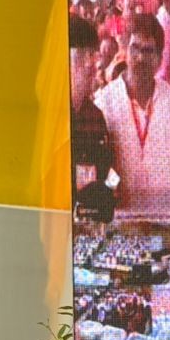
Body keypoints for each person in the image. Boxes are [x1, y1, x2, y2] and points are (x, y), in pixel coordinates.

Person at [93, 13, 170, 216]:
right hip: (122, 221)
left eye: (148, 51)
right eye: (135, 48)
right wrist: (113, 186)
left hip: (165, 220)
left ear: (160, 58)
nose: (140, 58)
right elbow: (100, 170)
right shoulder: (105, 102)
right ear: (124, 50)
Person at [69, 14, 115, 222]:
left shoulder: (95, 117)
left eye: (93, 55)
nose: (93, 65)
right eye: (85, 55)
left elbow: (110, 172)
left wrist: (111, 190)